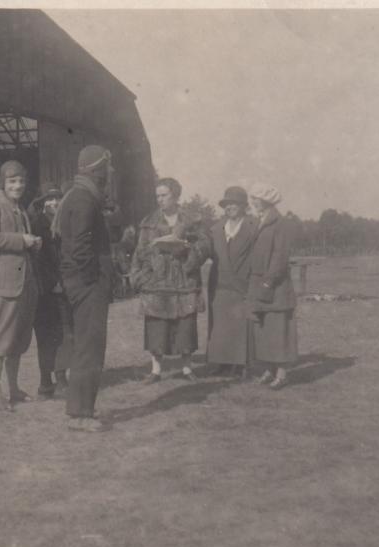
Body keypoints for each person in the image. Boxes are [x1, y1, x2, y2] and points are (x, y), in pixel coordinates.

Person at [54, 145, 115, 432]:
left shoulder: (79, 196)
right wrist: (94, 281)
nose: (111, 172)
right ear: (96, 169)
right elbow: (79, 248)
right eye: (108, 166)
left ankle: (81, 410)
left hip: (80, 283)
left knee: (86, 347)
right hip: (87, 284)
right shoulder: (84, 199)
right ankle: (80, 415)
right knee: (89, 349)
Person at [0, 160, 43, 412]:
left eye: (21, 181)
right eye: (12, 181)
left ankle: (13, 389)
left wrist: (33, 243)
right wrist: (21, 240)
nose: (18, 186)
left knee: (17, 341)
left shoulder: (19, 209)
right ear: (2, 183)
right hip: (2, 286)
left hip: (23, 286)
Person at [130, 177, 211, 384]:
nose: (160, 199)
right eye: (157, 196)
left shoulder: (192, 221)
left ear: (175, 196)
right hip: (157, 283)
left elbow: (205, 246)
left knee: (185, 326)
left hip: (184, 281)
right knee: (156, 327)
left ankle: (186, 368)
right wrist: (141, 276)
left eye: (164, 195)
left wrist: (188, 252)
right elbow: (140, 252)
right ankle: (156, 370)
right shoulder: (149, 222)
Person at [247, 182, 298, 390]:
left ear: (266, 201)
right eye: (252, 199)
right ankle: (269, 369)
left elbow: (280, 257)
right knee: (263, 329)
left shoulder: (281, 224)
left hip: (275, 286)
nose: (253, 203)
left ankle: (282, 374)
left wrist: (268, 281)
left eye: (256, 199)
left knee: (278, 330)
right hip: (258, 282)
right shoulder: (258, 222)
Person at [206, 186, 259, 378]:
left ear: (244, 206)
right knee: (219, 325)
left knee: (241, 325)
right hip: (219, 283)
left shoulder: (254, 227)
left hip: (242, 283)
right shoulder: (215, 229)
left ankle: (242, 364)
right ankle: (221, 363)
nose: (230, 207)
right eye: (227, 204)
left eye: (234, 203)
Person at [28, 181, 72, 399]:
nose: (54, 202)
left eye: (57, 198)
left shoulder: (66, 223)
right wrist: (51, 282)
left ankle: (62, 378)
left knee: (64, 334)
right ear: (43, 203)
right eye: (49, 199)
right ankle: (45, 382)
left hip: (64, 288)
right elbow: (37, 259)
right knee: (45, 336)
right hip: (44, 290)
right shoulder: (36, 225)